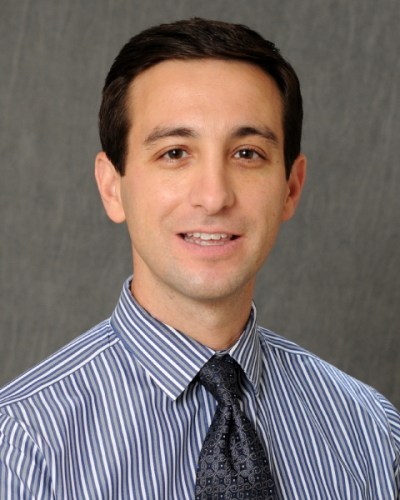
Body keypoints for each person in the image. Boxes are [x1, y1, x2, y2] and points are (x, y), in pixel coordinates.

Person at [0, 17, 399, 499]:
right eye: (174, 153)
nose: (214, 197)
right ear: (112, 187)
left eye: (247, 153)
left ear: (291, 187)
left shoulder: (372, 434)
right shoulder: (23, 446)